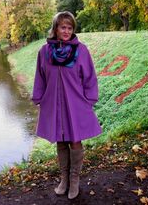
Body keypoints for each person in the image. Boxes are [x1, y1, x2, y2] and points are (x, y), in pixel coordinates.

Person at [32, 11, 102, 199]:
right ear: (55, 28)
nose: (66, 31)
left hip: (76, 103)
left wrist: (89, 100)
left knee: (75, 139)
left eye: (70, 27)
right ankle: (64, 179)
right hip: (53, 102)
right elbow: (40, 77)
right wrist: (38, 97)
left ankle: (75, 180)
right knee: (61, 139)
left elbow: (89, 77)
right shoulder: (45, 52)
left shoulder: (81, 51)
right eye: (63, 27)